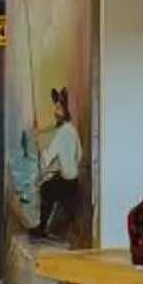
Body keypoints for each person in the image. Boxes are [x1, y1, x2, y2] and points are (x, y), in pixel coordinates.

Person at [34, 87, 84, 240]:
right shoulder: (72, 130)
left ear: (64, 111)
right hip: (73, 180)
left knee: (45, 189)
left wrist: (39, 147)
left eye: (58, 109)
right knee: (53, 180)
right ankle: (48, 226)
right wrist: (64, 168)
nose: (55, 112)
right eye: (55, 108)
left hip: (68, 184)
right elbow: (79, 155)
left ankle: (42, 229)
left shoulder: (62, 133)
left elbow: (48, 158)